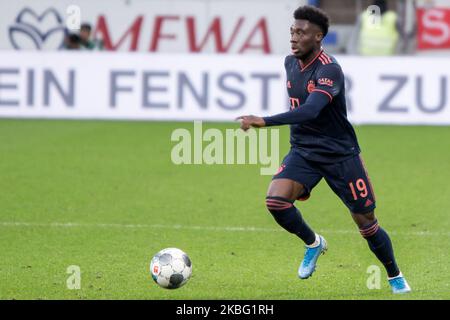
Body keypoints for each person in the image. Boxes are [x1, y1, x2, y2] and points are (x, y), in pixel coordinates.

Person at [236, 5, 410, 294]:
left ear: (318, 37)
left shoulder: (330, 69)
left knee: (366, 224)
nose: (294, 37)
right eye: (292, 31)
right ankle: (313, 243)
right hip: (304, 151)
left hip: (340, 155)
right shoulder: (290, 63)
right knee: (276, 202)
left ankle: (395, 275)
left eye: (301, 32)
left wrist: (263, 121)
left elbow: (311, 110)